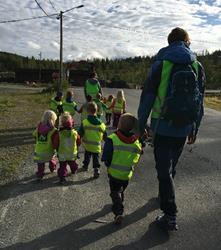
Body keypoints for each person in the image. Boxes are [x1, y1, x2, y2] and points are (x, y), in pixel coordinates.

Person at [138, 27, 205, 231]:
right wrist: (195, 128)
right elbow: (199, 100)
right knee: (171, 167)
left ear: (169, 42)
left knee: (163, 171)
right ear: (186, 41)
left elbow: (147, 96)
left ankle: (170, 214)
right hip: (184, 127)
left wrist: (141, 126)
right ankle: (165, 195)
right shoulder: (196, 64)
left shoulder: (161, 63)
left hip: (162, 126)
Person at [102, 113, 142, 225]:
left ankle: (118, 211)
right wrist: (131, 164)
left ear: (119, 124)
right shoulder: (135, 142)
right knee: (121, 189)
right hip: (126, 174)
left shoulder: (112, 139)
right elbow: (137, 156)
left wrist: (107, 163)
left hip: (114, 173)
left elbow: (106, 156)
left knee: (114, 191)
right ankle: (119, 199)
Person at [78, 102, 106, 178]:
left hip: (87, 145)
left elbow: (79, 133)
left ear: (87, 111)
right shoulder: (102, 124)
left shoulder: (85, 122)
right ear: (96, 111)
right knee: (95, 158)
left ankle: (85, 166)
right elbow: (105, 135)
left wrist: (77, 141)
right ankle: (96, 169)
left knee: (87, 155)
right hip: (96, 146)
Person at [55, 112, 81, 184]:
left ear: (62, 123)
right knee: (73, 164)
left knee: (62, 166)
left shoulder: (59, 134)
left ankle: (62, 177)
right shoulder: (74, 133)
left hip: (62, 154)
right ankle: (74, 170)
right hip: (72, 153)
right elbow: (79, 141)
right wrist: (77, 145)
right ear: (71, 123)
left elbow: (56, 143)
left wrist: (56, 148)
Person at [33, 110, 58, 181]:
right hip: (49, 152)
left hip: (39, 152)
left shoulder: (38, 128)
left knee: (40, 164)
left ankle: (40, 175)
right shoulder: (54, 130)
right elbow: (55, 142)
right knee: (52, 159)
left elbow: (34, 135)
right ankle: (52, 168)